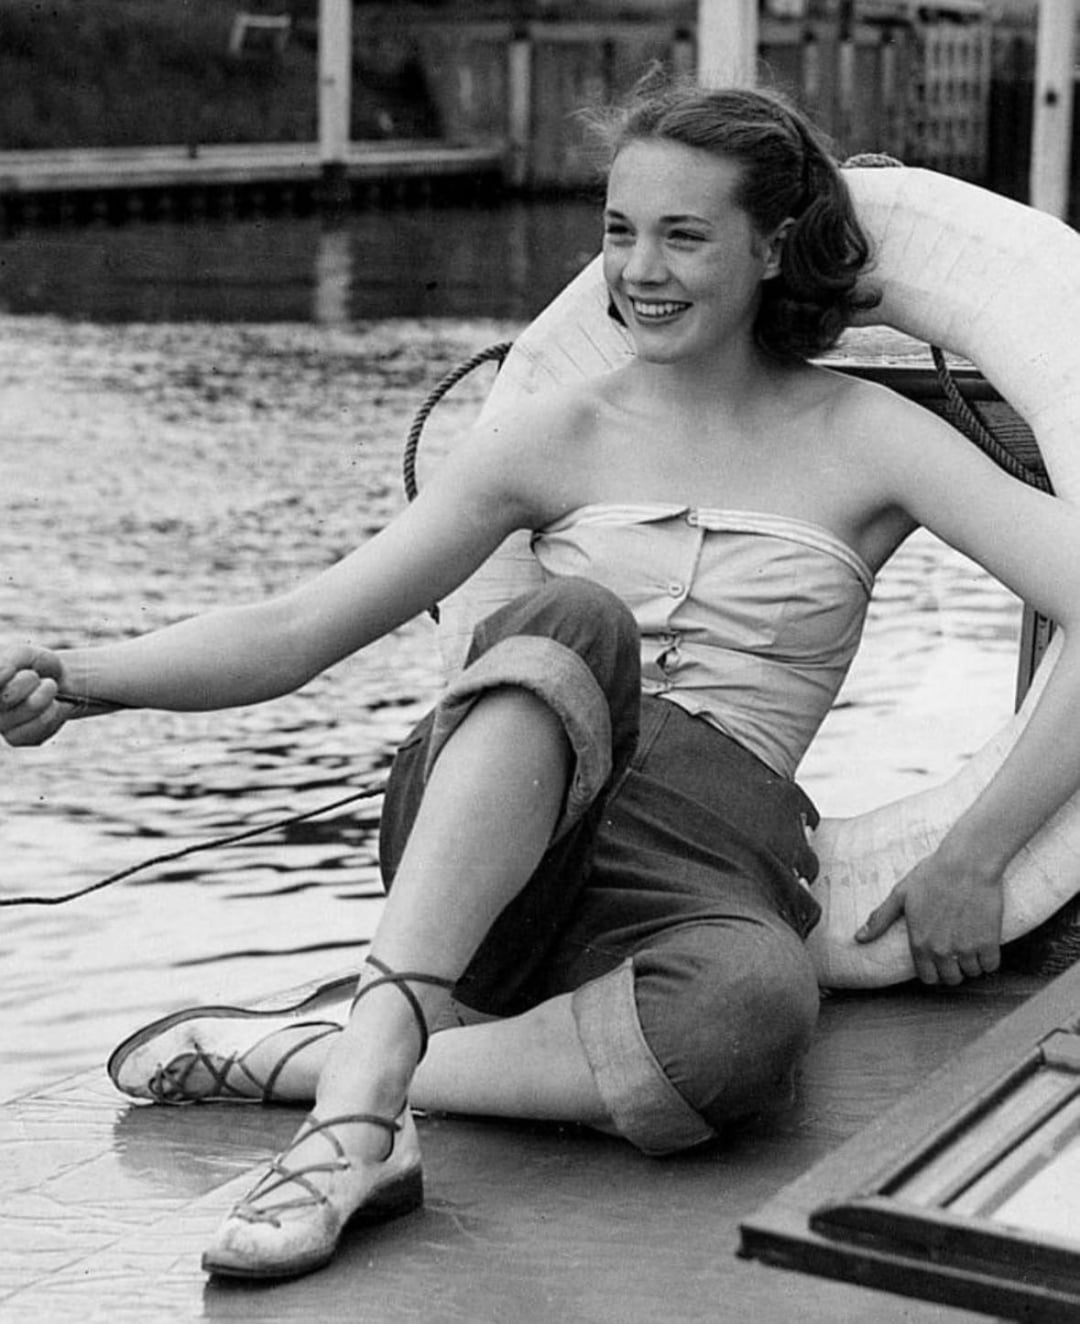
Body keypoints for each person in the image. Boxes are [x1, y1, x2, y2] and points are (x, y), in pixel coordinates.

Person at [5, 79, 1080, 1283]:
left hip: (710, 858)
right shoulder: (550, 434)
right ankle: (353, 1120)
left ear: (774, 246)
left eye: (684, 234)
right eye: (620, 231)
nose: (641, 269)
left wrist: (978, 854)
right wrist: (81, 674)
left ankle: (325, 1050)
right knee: (569, 618)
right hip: (505, 822)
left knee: (752, 1021)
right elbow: (300, 624)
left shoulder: (869, 436)